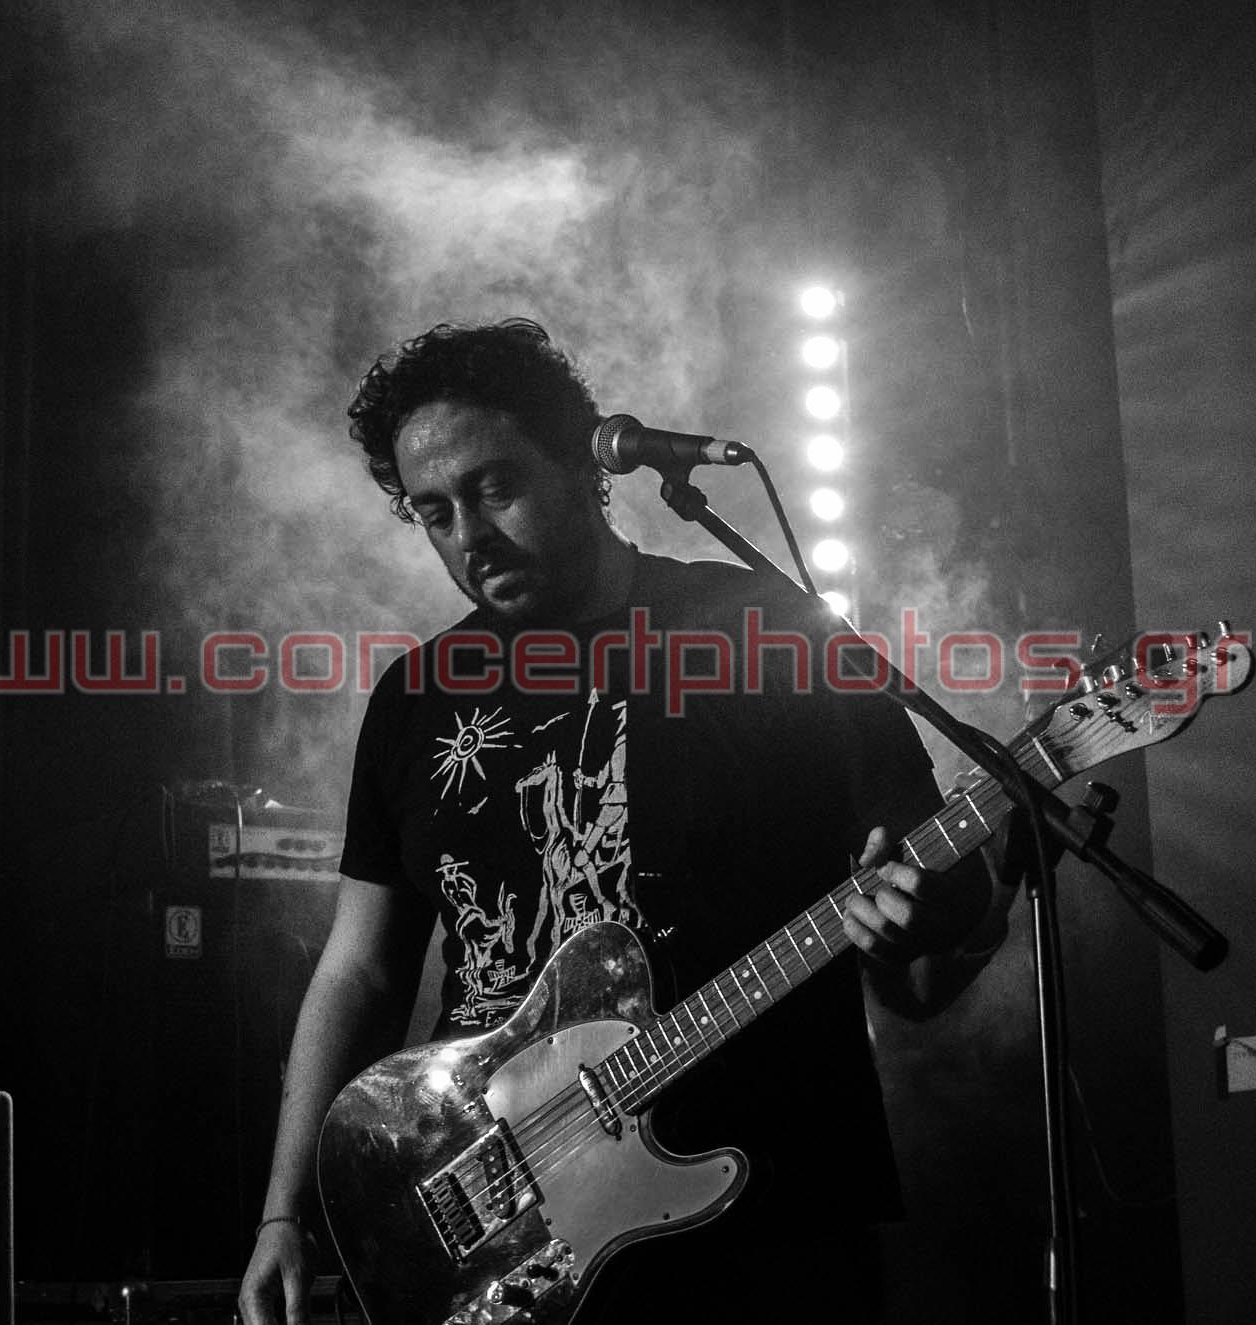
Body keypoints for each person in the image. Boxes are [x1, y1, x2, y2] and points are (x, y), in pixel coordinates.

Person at [238, 318, 1010, 1325]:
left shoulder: (766, 631)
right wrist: (284, 1209)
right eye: (433, 512)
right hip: (500, 1239)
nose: (468, 535)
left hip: (768, 1226)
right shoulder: (416, 698)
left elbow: (926, 927)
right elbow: (361, 970)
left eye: (493, 488)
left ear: (580, 462)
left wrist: (934, 907)